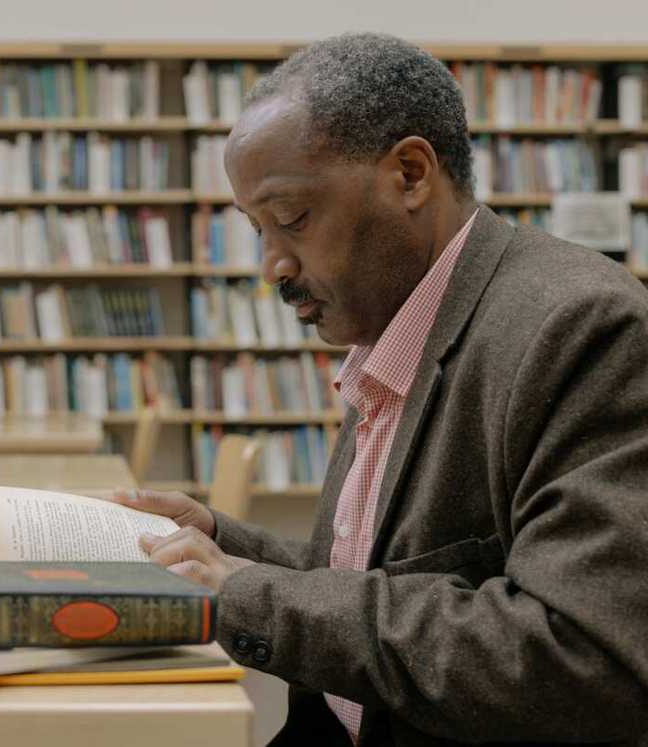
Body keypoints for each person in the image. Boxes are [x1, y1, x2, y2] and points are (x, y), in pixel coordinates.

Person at [109, 33, 648, 746]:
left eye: (292, 219)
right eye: (257, 229)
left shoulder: (580, 327)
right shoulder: (395, 323)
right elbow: (373, 575)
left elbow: (579, 660)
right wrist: (218, 542)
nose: (272, 266)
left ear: (411, 174)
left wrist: (247, 594)